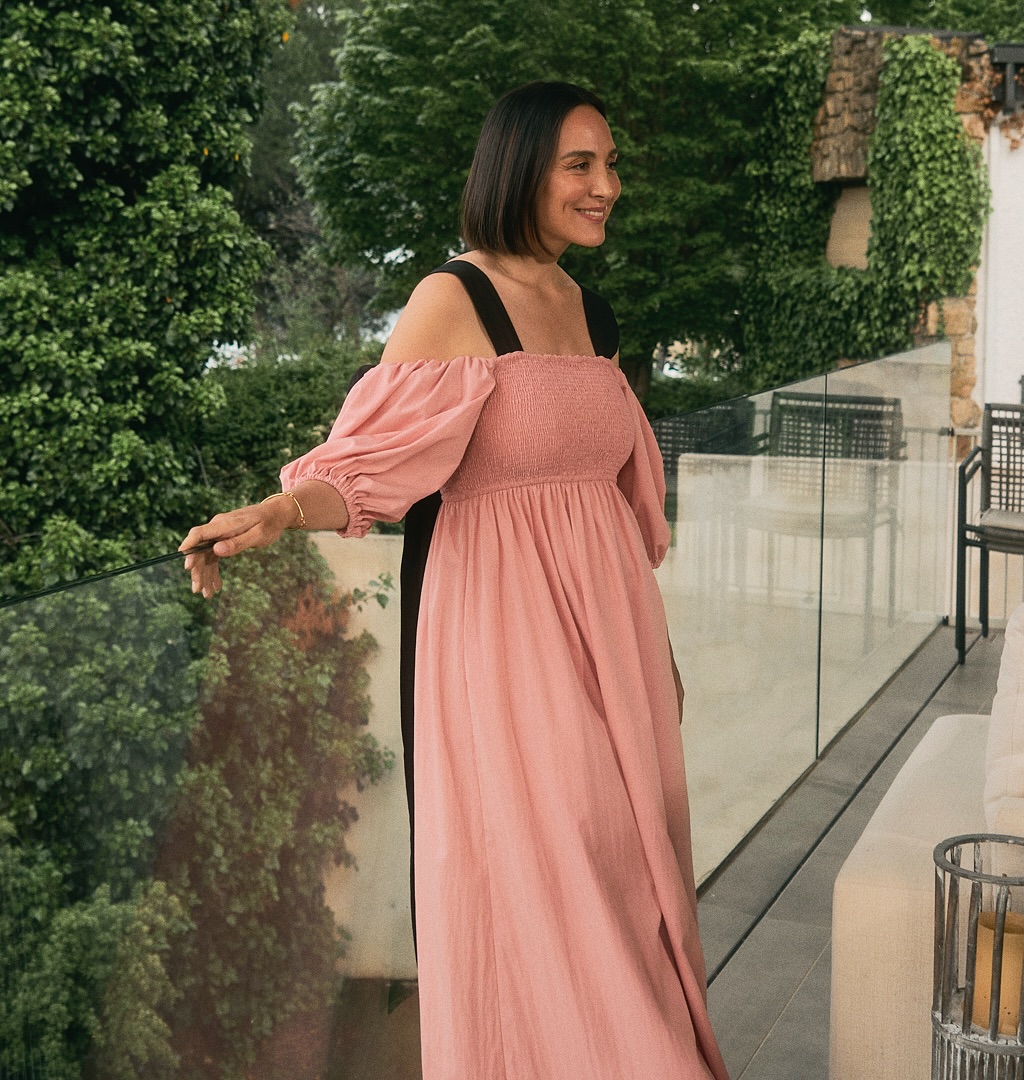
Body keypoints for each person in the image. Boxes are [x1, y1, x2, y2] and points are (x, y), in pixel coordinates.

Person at [181, 80, 728, 1080]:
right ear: (518, 169)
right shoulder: (455, 300)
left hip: (616, 647)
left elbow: (612, 503)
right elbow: (368, 461)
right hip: (504, 649)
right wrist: (277, 511)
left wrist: (657, 652)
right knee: (561, 876)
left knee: (629, 879)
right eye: (580, 165)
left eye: (611, 165)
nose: (607, 186)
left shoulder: (591, 310)